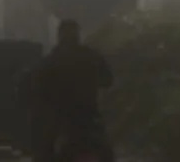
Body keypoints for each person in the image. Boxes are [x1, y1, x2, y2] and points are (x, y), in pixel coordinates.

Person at [22, 19, 114, 162]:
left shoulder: (51, 60)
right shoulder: (92, 56)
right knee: (105, 148)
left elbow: (36, 88)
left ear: (59, 36)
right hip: (89, 116)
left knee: (44, 151)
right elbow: (108, 80)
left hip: (60, 120)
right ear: (78, 35)